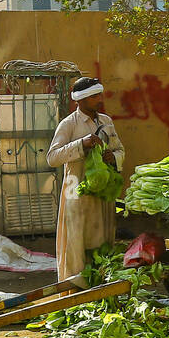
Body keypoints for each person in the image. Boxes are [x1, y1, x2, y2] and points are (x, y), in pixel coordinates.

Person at [46, 77, 126, 282]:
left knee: (102, 237)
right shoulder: (68, 125)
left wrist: (113, 157)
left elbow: (120, 150)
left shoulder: (106, 122)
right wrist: (82, 144)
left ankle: (101, 283)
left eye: (99, 94)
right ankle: (75, 286)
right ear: (79, 100)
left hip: (102, 192)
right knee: (76, 238)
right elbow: (52, 158)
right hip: (76, 191)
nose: (99, 99)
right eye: (93, 96)